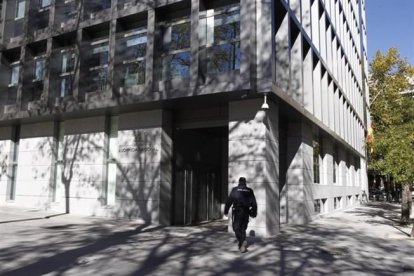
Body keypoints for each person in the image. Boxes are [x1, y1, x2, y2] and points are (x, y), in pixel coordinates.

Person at [224, 177, 257, 253]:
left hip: (238, 211)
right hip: (246, 212)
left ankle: (242, 241)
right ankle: (242, 246)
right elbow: (254, 203)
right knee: (243, 229)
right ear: (245, 182)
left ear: (239, 182)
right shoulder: (249, 190)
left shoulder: (235, 190)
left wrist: (226, 211)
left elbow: (229, 201)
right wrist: (254, 213)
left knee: (236, 228)